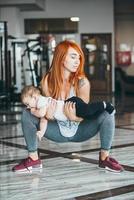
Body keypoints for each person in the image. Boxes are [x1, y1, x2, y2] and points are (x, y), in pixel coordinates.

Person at [12, 40, 124, 173]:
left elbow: (85, 113)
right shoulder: (47, 82)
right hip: (57, 130)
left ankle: (104, 158)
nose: (77, 61)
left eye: (79, 57)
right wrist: (47, 116)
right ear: (61, 57)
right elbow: (48, 111)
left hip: (81, 130)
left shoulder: (83, 82)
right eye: (73, 57)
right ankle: (33, 159)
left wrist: (75, 118)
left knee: (108, 112)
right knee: (27, 113)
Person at [21, 85, 115, 141]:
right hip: (69, 106)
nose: (28, 107)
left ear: (34, 97)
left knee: (88, 110)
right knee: (90, 115)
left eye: (27, 104)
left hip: (71, 105)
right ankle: (101, 109)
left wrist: (33, 112)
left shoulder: (40, 101)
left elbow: (41, 114)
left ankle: (104, 105)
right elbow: (43, 121)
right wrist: (41, 132)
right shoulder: (40, 105)